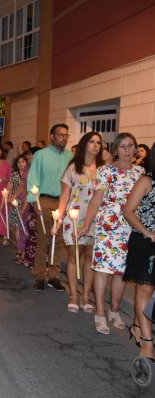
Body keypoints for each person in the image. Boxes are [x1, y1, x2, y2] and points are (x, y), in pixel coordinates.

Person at [80, 132, 144, 334]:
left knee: (122, 273)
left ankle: (114, 310)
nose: (127, 150)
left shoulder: (140, 172)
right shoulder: (104, 171)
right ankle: (100, 312)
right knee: (103, 270)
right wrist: (86, 224)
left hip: (131, 228)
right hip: (108, 226)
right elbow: (96, 200)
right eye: (123, 146)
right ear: (116, 149)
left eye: (131, 146)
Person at [54, 132, 104, 313]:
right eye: (92, 142)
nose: (95, 145)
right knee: (74, 256)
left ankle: (85, 295)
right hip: (74, 218)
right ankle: (74, 294)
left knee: (90, 258)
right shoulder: (73, 167)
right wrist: (58, 218)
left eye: (98, 142)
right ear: (84, 144)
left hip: (96, 219)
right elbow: (65, 195)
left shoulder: (103, 169)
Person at [27, 123, 73, 292]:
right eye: (60, 135)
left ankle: (54, 276)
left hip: (63, 202)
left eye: (66, 135)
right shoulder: (41, 155)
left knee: (58, 240)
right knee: (43, 239)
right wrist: (34, 202)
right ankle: (39, 275)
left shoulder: (70, 156)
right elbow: (32, 178)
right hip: (45, 200)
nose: (64, 138)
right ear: (52, 136)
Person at [123, 142, 155, 357]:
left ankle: (136, 326)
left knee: (151, 291)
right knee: (145, 289)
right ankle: (147, 341)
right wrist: (147, 232)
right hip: (145, 242)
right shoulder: (146, 180)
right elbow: (128, 210)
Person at [6, 155, 29, 263]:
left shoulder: (30, 174)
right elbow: (9, 187)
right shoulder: (14, 174)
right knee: (18, 228)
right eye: (19, 162)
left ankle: (24, 252)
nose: (21, 164)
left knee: (25, 228)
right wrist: (6, 198)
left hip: (27, 202)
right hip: (15, 203)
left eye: (23, 161)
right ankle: (20, 249)